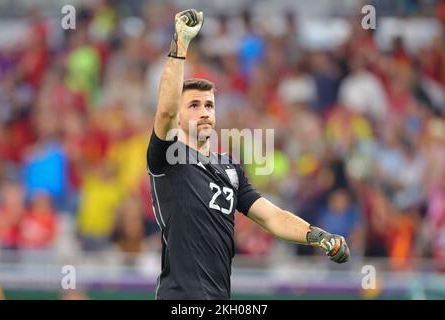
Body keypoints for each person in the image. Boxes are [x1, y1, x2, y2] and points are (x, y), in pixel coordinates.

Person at [147, 9, 350, 300]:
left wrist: (318, 236)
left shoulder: (229, 168)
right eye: (193, 105)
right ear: (178, 118)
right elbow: (165, 109)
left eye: (209, 105)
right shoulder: (167, 158)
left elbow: (272, 218)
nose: (204, 112)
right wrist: (179, 45)